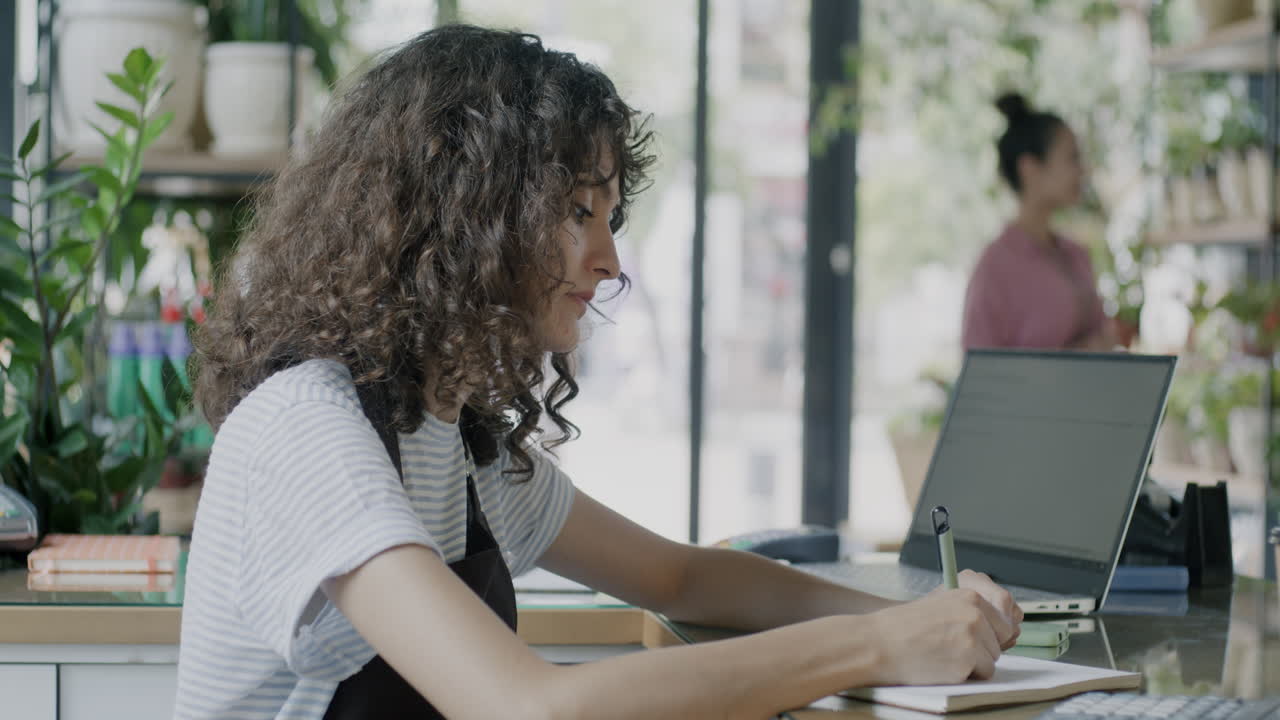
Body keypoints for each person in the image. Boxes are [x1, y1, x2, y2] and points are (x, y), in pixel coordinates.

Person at [176, 25, 1023, 719]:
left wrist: (925, 622)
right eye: (579, 212)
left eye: (609, 217)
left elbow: (680, 577)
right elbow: (527, 709)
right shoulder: (310, 427)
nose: (610, 260)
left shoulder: (449, 434)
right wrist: (879, 648)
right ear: (467, 211)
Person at [962, 93, 1114, 351]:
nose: (1082, 170)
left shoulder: (1076, 254)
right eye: (1072, 158)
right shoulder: (995, 267)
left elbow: (1104, 338)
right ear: (1030, 168)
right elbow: (980, 375)